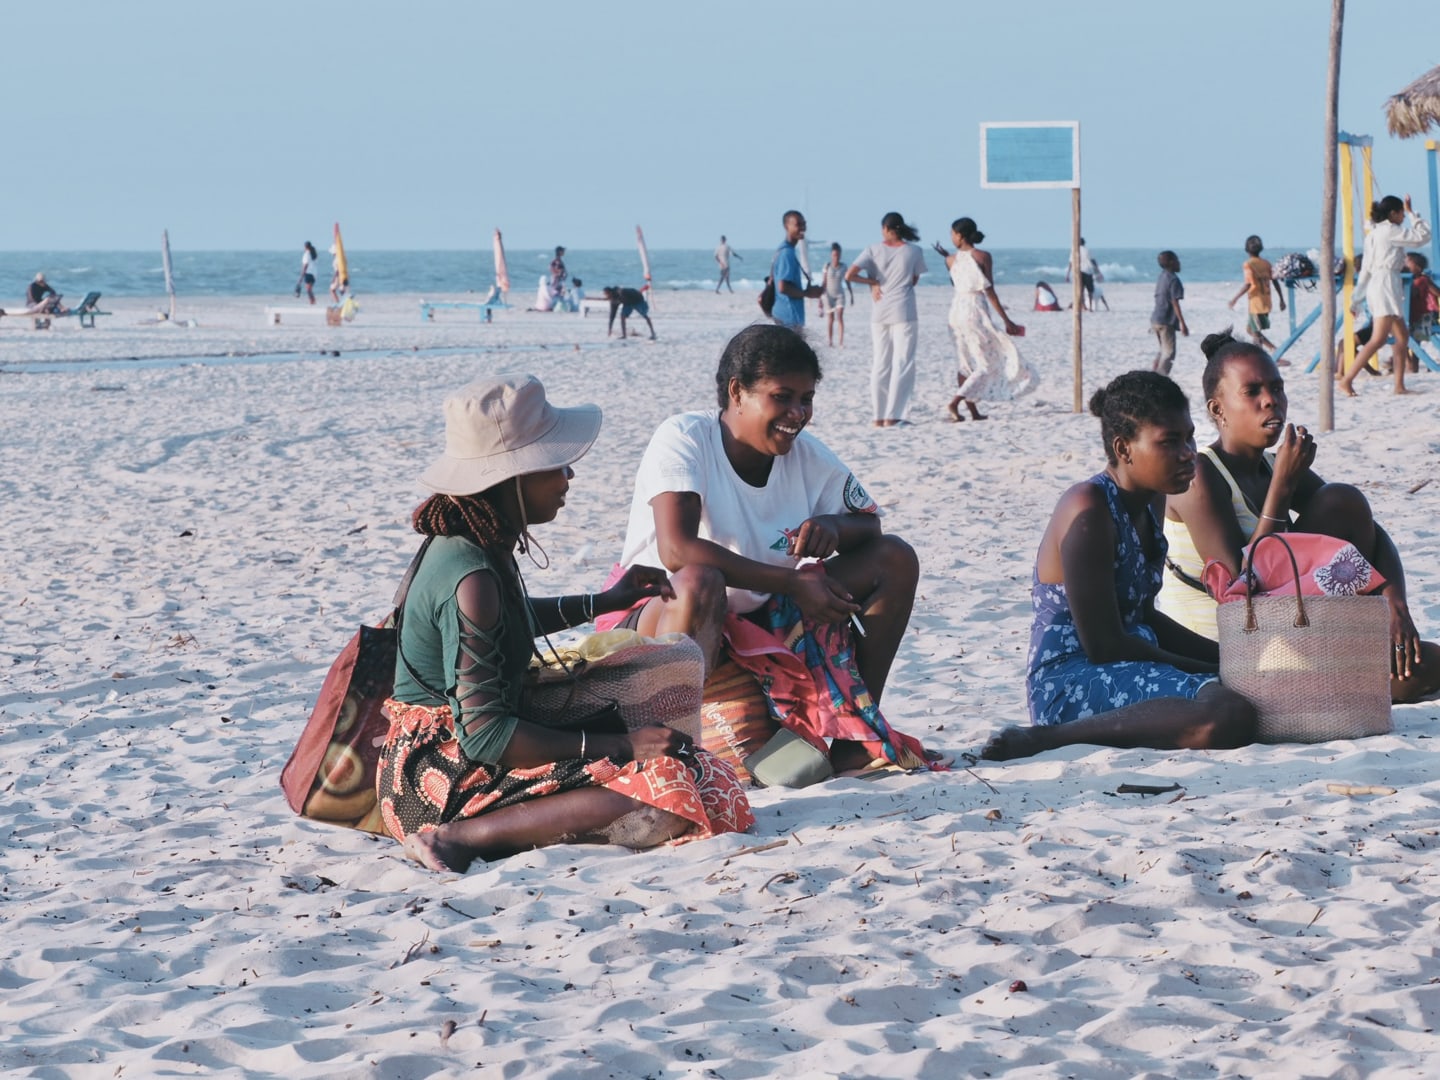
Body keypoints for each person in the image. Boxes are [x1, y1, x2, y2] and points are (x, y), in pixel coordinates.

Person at [376, 374, 753, 873]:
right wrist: (622, 745)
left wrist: (604, 601)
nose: (569, 476)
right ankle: (456, 839)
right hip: (437, 780)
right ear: (513, 479)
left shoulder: (474, 542)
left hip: (455, 750)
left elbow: (506, 624)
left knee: (689, 753)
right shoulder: (472, 578)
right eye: (555, 465)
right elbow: (485, 737)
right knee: (671, 794)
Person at [599, 324, 936, 773]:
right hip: (661, 619)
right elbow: (677, 550)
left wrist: (832, 527)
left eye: (807, 399)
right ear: (737, 392)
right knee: (698, 581)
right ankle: (674, 762)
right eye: (782, 397)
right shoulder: (685, 437)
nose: (797, 413)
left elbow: (869, 524)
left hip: (757, 619)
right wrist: (792, 583)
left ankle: (853, 741)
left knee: (894, 559)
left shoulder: (806, 456)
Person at [982, 371, 1258, 761]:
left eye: (1190, 437)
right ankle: (1046, 738)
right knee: (1228, 713)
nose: (1188, 453)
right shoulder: (1089, 507)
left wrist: (1227, 656)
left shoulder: (1152, 500)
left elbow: (1144, 617)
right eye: (1169, 442)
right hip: (1073, 680)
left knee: (1247, 694)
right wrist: (1211, 668)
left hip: (1129, 663)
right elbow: (1104, 644)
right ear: (1124, 448)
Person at [1157, 331, 1440, 703]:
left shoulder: (1271, 465)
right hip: (1227, 651)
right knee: (1404, 677)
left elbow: (1364, 525)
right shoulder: (1199, 475)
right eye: (1252, 391)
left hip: (1286, 633)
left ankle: (1345, 663)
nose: (1270, 400)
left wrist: (1394, 605)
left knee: (1343, 500)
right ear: (1218, 409)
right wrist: (1282, 486)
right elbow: (1242, 589)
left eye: (1277, 388)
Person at [933, 217, 1037, 422]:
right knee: (986, 364)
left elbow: (959, 278)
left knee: (964, 363)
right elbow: (989, 290)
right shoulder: (983, 256)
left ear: (960, 236)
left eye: (953, 234)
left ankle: (972, 412)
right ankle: (955, 403)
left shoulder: (949, 260)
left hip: (956, 311)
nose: (951, 237)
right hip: (974, 310)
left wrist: (947, 256)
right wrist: (1007, 320)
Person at [1340, 195, 1431, 396]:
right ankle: (1347, 379)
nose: (1403, 217)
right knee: (1378, 338)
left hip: (1380, 284)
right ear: (1393, 213)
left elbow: (1365, 270)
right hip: (1386, 285)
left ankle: (1399, 386)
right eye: (1401, 214)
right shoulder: (1390, 231)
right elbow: (1423, 236)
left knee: (1402, 337)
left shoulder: (1373, 233)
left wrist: (1356, 299)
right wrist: (1412, 213)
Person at [845, 212, 929, 428]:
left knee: (880, 363)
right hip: (904, 310)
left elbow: (850, 275)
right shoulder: (914, 250)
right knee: (903, 362)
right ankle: (893, 415)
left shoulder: (872, 249)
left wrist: (874, 282)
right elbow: (914, 279)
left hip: (880, 310)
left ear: (885, 228)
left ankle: (878, 416)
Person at [1227, 235, 1286, 356]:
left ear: (1246, 249)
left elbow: (1248, 284)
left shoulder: (1248, 264)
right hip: (1266, 301)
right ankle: (1266, 352)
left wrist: (1234, 299)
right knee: (1250, 330)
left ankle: (1270, 351)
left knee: (1255, 332)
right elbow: (1275, 281)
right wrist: (1281, 299)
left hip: (1256, 303)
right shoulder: (1266, 263)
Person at [770, 210, 823, 328]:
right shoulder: (787, 253)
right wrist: (807, 293)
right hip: (788, 317)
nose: (803, 228)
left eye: (804, 224)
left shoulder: (784, 250)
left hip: (785, 315)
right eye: (798, 224)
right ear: (786, 226)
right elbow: (783, 287)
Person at [1151, 251, 1188, 376]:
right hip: (1166, 321)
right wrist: (1183, 323)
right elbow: (1175, 303)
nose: (1179, 263)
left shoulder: (1162, 276)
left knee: (1162, 350)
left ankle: (1154, 373)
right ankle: (1160, 378)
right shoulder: (1173, 279)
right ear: (1172, 262)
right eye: (1177, 260)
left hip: (1156, 318)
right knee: (1169, 353)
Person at [1406, 251, 1437, 372]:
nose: (1404, 264)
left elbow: (1436, 291)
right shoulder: (1412, 280)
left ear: (1418, 268)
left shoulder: (1422, 280)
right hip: (1413, 315)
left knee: (1415, 342)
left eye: (1408, 262)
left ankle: (1413, 366)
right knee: (1411, 341)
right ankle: (1412, 365)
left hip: (1421, 316)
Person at [819, 242, 852, 347]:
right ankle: (830, 341)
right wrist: (820, 300)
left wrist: (851, 294)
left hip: (839, 295)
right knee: (831, 318)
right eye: (834, 255)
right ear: (831, 255)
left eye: (838, 255)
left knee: (840, 316)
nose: (836, 257)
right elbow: (824, 283)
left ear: (840, 255)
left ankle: (841, 342)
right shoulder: (827, 266)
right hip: (828, 295)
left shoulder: (844, 267)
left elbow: (847, 281)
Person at [1067, 238, 1096, 310]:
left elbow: (1071, 263)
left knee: (1080, 290)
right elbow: (1093, 261)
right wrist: (1098, 271)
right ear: (1084, 243)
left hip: (1078, 271)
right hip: (1088, 271)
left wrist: (1068, 274)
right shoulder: (1087, 250)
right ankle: (1090, 306)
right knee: (1090, 290)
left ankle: (1083, 305)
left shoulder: (1074, 250)